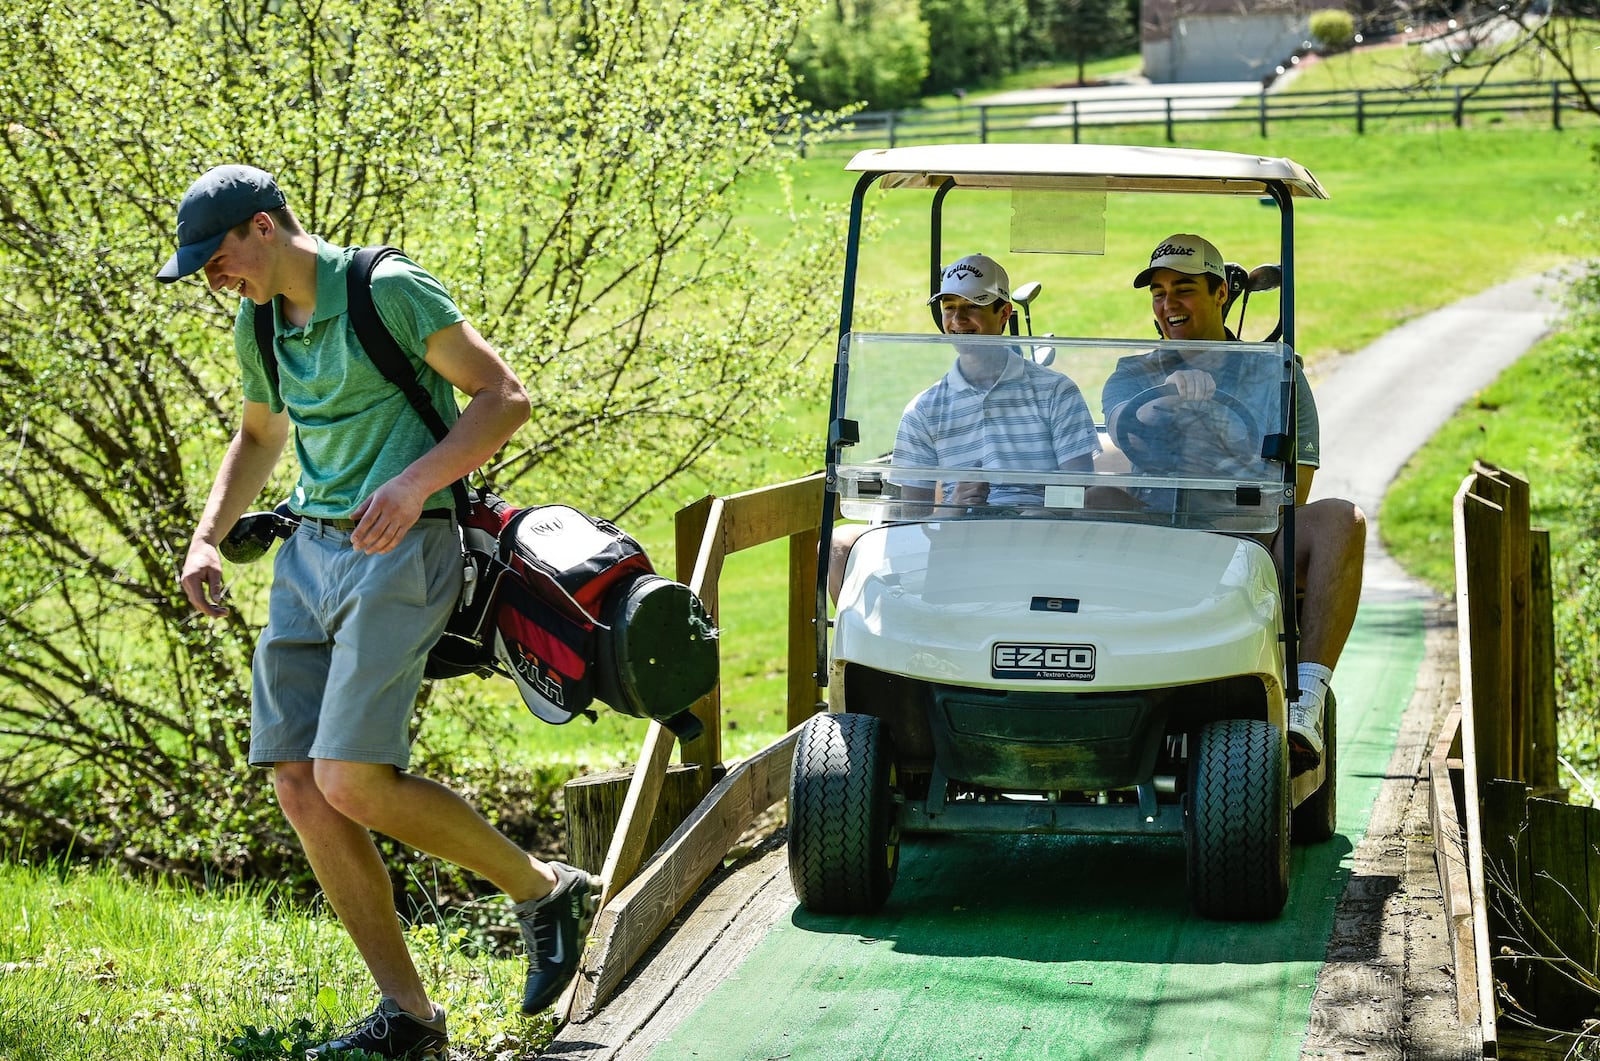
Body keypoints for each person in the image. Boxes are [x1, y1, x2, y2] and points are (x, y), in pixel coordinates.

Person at [160, 165, 596, 1061]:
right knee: (297, 785)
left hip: (407, 544)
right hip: (308, 554)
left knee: (351, 779)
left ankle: (544, 886)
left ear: (264, 227)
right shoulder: (260, 323)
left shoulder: (383, 289)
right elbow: (259, 434)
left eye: (218, 258)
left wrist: (410, 483)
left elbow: (503, 397)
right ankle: (410, 1015)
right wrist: (208, 537)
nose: (215, 278)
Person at [1103, 233, 1366, 770]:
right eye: (1158, 292)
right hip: (1155, 529)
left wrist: (1218, 431)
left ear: (1221, 293)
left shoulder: (1276, 370)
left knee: (1342, 519)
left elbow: (1300, 482)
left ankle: (1305, 702)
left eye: (1184, 289)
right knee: (1092, 495)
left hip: (1251, 532)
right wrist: (1167, 401)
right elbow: (1120, 425)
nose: (1169, 304)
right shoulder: (1134, 372)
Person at [827, 253, 1100, 602]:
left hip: (1044, 542)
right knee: (840, 546)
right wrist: (954, 507)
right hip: (961, 548)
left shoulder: (1055, 391)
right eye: (949, 307)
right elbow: (913, 516)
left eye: (972, 306)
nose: (958, 320)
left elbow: (1081, 490)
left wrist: (1045, 510)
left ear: (1003, 315)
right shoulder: (925, 410)